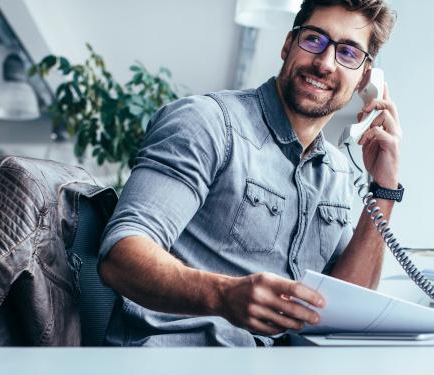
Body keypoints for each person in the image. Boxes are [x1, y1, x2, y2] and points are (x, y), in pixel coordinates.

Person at [98, 0, 400, 346]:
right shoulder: (206, 123)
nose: (325, 63)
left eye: (347, 53)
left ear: (365, 77)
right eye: (314, 40)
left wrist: (384, 187)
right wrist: (223, 295)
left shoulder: (336, 172)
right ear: (288, 44)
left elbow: (347, 305)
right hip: (179, 367)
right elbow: (121, 255)